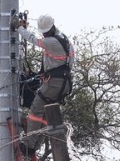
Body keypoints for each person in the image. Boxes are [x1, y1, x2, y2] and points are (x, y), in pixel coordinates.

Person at [15, 13, 75, 150]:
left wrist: (18, 28)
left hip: (55, 84)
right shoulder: (63, 38)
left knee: (36, 110)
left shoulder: (51, 41)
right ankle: (35, 145)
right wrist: (39, 74)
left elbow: (32, 39)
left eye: (46, 33)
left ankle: (30, 145)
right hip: (63, 83)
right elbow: (57, 63)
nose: (45, 35)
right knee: (44, 112)